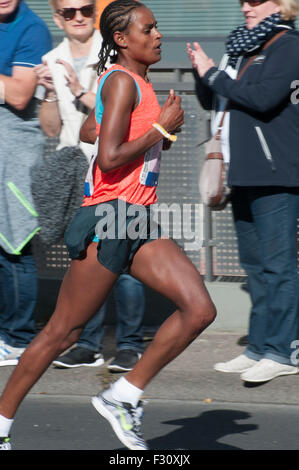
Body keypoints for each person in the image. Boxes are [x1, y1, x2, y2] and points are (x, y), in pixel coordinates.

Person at [0, 0, 216, 451]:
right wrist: (160, 128)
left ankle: (123, 395)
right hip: (111, 216)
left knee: (199, 310)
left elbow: (89, 132)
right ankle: (0, 424)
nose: (158, 35)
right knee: (63, 332)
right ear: (122, 39)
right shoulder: (122, 82)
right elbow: (111, 155)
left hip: (137, 217)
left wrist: (153, 128)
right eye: (149, 28)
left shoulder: (128, 83)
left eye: (157, 27)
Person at [188, 0, 299, 384]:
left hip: (276, 171)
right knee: (255, 267)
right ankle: (259, 346)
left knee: (278, 267)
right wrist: (203, 74)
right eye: (243, 1)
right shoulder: (242, 46)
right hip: (243, 170)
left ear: (282, 5)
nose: (246, 7)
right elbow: (216, 100)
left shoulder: (288, 46)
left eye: (255, 0)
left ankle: (283, 351)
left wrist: (214, 74)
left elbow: (262, 99)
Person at [34, 0, 145, 371]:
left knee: (125, 260)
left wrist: (81, 89)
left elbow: (116, 115)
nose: (78, 18)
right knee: (84, 257)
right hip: (77, 172)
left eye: (84, 10)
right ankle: (89, 343)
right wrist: (50, 91)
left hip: (116, 171)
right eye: (69, 12)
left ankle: (129, 344)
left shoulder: (116, 49)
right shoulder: (52, 57)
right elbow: (51, 128)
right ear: (57, 17)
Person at [0, 0, 52, 368]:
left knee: (13, 248)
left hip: (14, 154)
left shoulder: (31, 28)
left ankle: (18, 339)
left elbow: (19, 94)